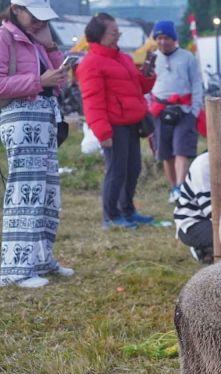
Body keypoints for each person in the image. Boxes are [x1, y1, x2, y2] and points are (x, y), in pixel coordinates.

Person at [0, 0, 71, 288]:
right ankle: (16, 268)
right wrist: (38, 81)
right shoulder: (4, 36)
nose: (40, 21)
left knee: (47, 193)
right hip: (21, 119)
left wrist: (51, 47)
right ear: (16, 9)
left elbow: (61, 83)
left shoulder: (34, 40)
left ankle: (41, 259)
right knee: (25, 193)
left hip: (44, 120)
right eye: (34, 15)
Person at [77, 12, 156, 230]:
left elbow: (142, 87)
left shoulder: (123, 58)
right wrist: (103, 133)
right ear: (99, 35)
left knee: (133, 169)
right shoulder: (91, 64)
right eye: (114, 32)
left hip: (132, 123)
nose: (118, 35)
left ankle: (127, 210)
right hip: (113, 125)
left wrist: (148, 72)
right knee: (116, 170)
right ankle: (111, 216)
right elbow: (93, 102)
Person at [173, 118, 221, 264]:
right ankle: (200, 247)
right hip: (193, 221)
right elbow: (209, 208)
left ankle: (211, 250)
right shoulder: (203, 164)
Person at [150, 20, 203, 204]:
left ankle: (181, 187)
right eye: (159, 38)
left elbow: (196, 83)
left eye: (166, 37)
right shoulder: (153, 58)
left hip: (184, 109)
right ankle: (173, 187)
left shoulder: (188, 57)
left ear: (174, 38)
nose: (162, 41)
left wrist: (195, 110)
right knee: (165, 153)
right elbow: (146, 85)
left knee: (181, 149)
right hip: (160, 109)